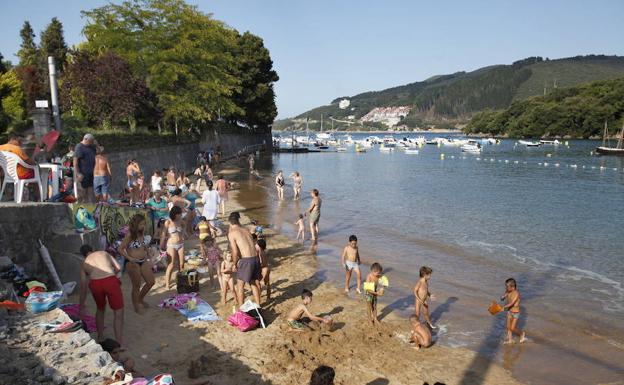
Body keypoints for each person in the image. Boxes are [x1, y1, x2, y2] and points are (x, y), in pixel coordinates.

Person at [78, 245, 123, 344]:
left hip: (95, 283)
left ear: (83, 255)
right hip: (110, 280)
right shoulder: (103, 253)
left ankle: (100, 336)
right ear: (93, 250)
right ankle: (119, 343)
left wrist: (81, 305)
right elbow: (118, 267)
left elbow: (83, 286)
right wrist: (114, 275)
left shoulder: (84, 263)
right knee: (118, 312)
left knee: (100, 308)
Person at [118, 215, 155, 314]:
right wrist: (129, 258)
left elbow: (144, 244)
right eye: (141, 224)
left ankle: (140, 299)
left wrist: (148, 253)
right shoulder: (130, 235)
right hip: (133, 263)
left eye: (144, 224)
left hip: (143, 260)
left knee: (151, 282)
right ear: (136, 224)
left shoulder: (141, 233)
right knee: (136, 286)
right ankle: (136, 306)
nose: (143, 226)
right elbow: (120, 249)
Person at [227, 212, 261, 307]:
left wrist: (234, 264)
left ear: (230, 222)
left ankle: (241, 308)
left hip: (246, 260)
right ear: (238, 220)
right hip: (255, 259)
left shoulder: (232, 233)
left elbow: (235, 251)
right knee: (253, 283)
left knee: (240, 285)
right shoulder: (246, 230)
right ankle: (258, 305)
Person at [161, 206, 185, 290]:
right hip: (171, 245)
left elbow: (183, 229)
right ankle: (167, 284)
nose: (181, 215)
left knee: (181, 265)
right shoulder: (168, 222)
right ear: (175, 214)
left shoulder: (181, 221)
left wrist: (183, 236)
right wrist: (161, 245)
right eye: (179, 214)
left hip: (181, 244)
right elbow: (163, 234)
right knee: (171, 265)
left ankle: (181, 281)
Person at [501, 278, 526, 344]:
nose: (506, 288)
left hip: (516, 313)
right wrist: (502, 297)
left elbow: (512, 303)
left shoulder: (516, 293)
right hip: (509, 311)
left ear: (512, 286)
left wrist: (503, 307)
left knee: (512, 328)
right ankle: (510, 340)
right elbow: (503, 298)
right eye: (505, 286)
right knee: (508, 327)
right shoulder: (508, 291)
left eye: (507, 286)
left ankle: (522, 334)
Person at [73, 133, 97, 203]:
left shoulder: (91, 147)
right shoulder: (79, 147)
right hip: (82, 174)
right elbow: (75, 161)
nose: (91, 143)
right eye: (90, 141)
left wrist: (96, 144)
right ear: (85, 139)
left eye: (92, 141)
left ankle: (90, 210)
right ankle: (80, 209)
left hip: (90, 175)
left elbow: (99, 152)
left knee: (90, 195)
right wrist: (78, 173)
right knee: (82, 194)